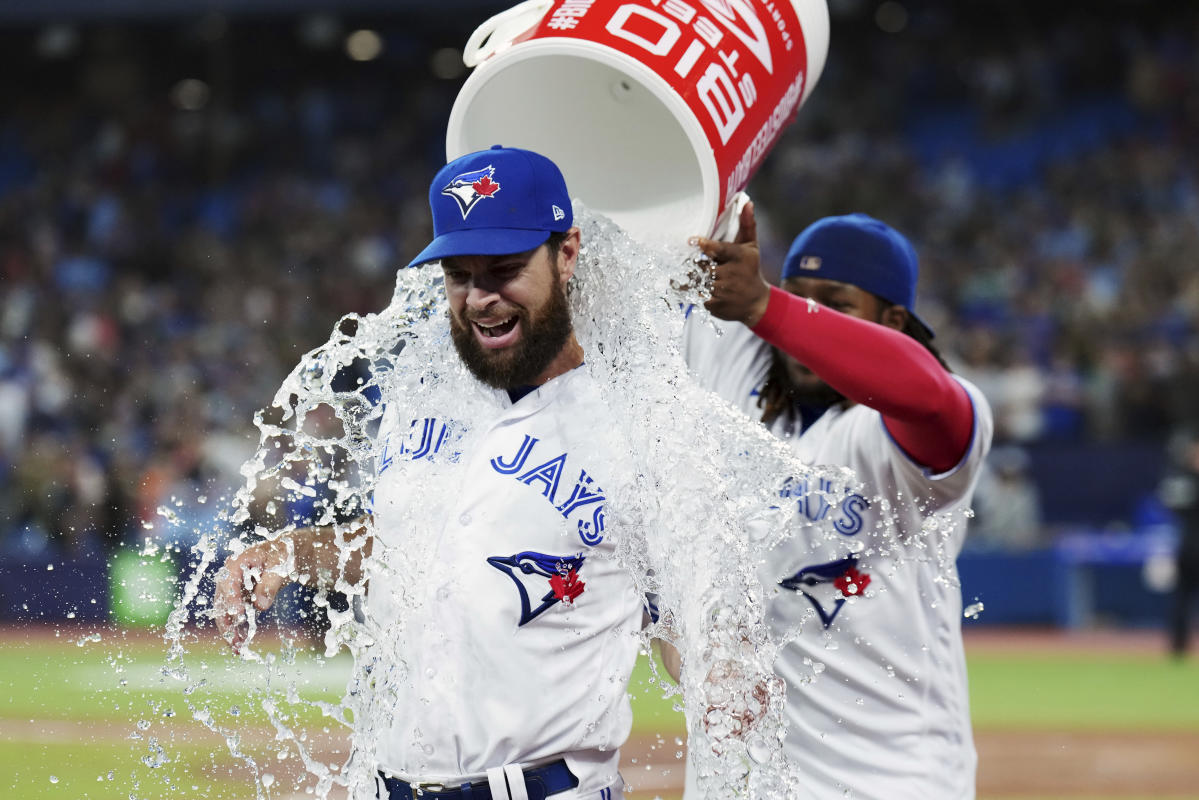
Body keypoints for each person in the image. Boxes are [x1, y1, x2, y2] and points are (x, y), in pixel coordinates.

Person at [215, 146, 649, 800]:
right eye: (459, 275)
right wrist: (293, 551)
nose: (480, 298)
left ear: (566, 253)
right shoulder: (424, 400)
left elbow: (703, 640)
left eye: (504, 269)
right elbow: (403, 544)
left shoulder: (636, 426)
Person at [677, 206, 994, 799]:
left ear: (892, 320)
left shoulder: (893, 433)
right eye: (797, 294)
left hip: (887, 781)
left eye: (835, 303)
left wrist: (770, 307)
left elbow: (928, 399)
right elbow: (678, 249)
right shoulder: (742, 378)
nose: (806, 316)